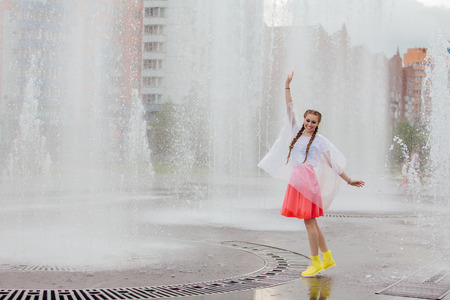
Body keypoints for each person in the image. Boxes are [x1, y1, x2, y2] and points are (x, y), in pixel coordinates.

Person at [258, 71, 365, 277]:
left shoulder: (320, 141)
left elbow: (333, 164)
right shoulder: (295, 130)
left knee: (309, 222)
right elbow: (289, 107)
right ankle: (328, 257)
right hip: (298, 180)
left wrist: (349, 179)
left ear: (318, 124)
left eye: (313, 122)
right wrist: (287, 86)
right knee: (312, 222)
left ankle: (315, 262)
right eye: (307, 120)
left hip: (307, 181)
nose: (309, 124)